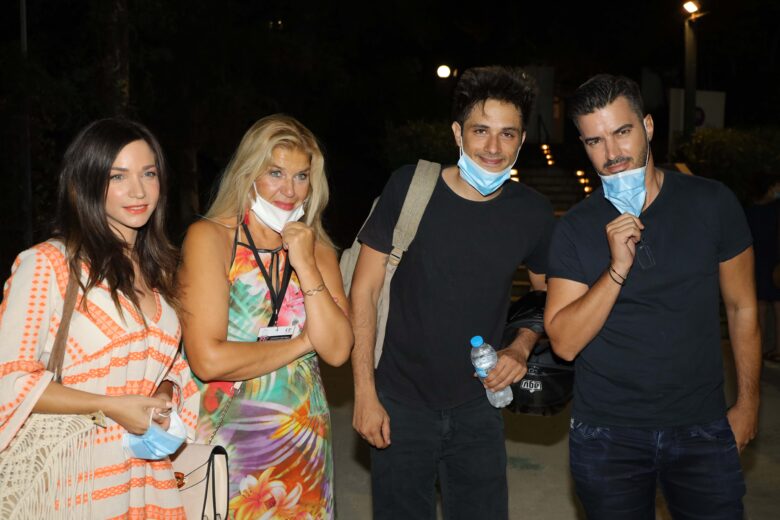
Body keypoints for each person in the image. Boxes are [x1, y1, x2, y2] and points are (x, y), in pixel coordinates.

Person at [544, 74, 760, 519]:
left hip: (702, 426)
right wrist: (616, 269)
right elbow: (563, 342)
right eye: (595, 141)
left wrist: (748, 403)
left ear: (647, 126)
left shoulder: (712, 203)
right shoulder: (575, 227)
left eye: (622, 132)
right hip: (607, 436)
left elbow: (743, 308)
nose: (611, 153)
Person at [350, 65, 555, 520]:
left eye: (507, 134)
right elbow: (364, 290)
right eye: (481, 130)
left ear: (521, 140)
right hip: (399, 401)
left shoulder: (533, 212)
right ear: (458, 133)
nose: (493, 147)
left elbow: (546, 294)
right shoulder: (408, 186)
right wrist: (364, 392)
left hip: (479, 405)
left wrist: (520, 346)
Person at [0, 118, 199, 517]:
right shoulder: (49, 264)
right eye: (117, 177)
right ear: (86, 183)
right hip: (75, 479)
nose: (138, 191)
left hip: (146, 478)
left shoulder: (157, 271)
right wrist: (111, 406)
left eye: (148, 174)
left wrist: (163, 394)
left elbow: (169, 366)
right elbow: (10, 377)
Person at [177, 114, 353, 519]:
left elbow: (338, 349)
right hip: (227, 444)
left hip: (303, 444)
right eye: (275, 173)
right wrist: (303, 343)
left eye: (301, 176)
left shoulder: (318, 251)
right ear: (249, 174)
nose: (289, 190)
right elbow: (208, 360)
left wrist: (305, 264)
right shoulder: (211, 238)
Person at [744, 172, 780, 363]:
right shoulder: (755, 211)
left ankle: (772, 348)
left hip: (769, 261)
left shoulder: (754, 211)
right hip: (763, 261)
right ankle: (762, 347)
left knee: (770, 305)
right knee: (763, 305)